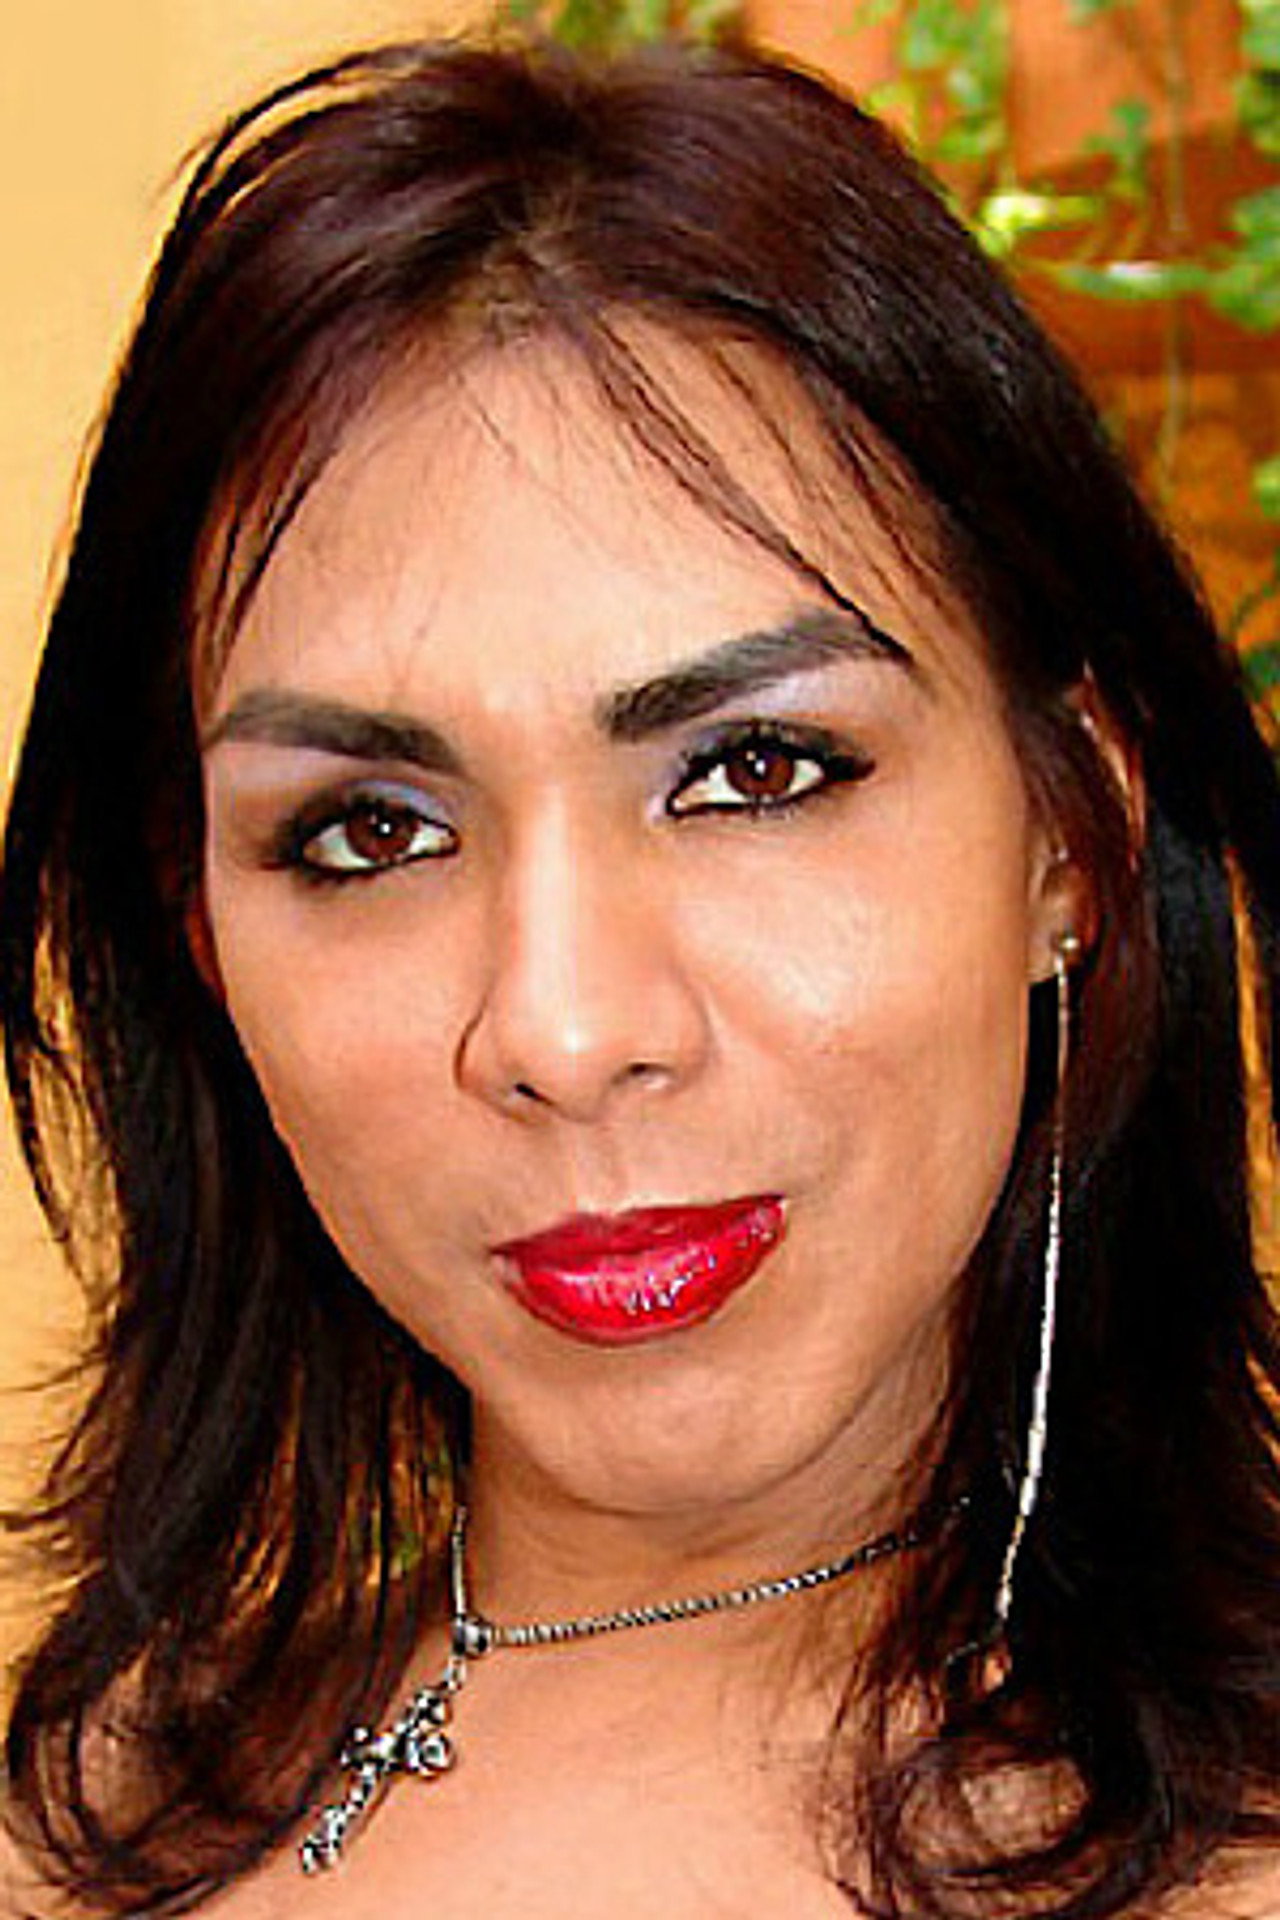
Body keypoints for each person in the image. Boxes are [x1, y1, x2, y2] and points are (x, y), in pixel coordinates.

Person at [1, 30, 1277, 1919]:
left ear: (1069, 835)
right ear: (203, 938)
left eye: (754, 770)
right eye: (370, 829)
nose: (568, 1030)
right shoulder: (86, 1816)